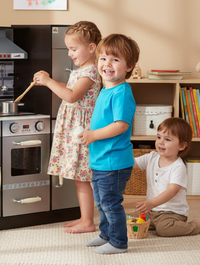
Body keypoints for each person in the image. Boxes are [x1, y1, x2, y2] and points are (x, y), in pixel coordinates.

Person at [33, 21, 102, 234]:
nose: (70, 54)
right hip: (74, 127)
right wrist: (48, 81)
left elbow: (72, 96)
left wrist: (48, 82)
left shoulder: (90, 71)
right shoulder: (81, 70)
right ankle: (84, 218)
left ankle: (88, 222)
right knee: (78, 178)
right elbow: (70, 88)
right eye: (68, 49)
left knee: (82, 178)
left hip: (80, 129)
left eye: (73, 49)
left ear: (91, 48)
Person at [79, 33, 140, 254]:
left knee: (111, 204)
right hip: (102, 160)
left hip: (113, 162)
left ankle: (118, 242)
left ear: (130, 66)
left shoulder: (121, 92)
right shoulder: (106, 89)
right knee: (102, 202)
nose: (107, 64)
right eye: (103, 58)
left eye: (115, 60)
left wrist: (93, 135)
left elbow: (121, 125)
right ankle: (106, 234)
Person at [134, 117, 200, 237]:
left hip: (172, 213)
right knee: (129, 219)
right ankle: (153, 222)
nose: (161, 142)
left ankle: (195, 226)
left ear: (181, 146)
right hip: (152, 211)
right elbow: (132, 163)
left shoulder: (178, 167)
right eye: (158, 137)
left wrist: (151, 203)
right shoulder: (151, 157)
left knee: (164, 229)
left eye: (167, 139)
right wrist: (116, 160)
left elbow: (172, 191)